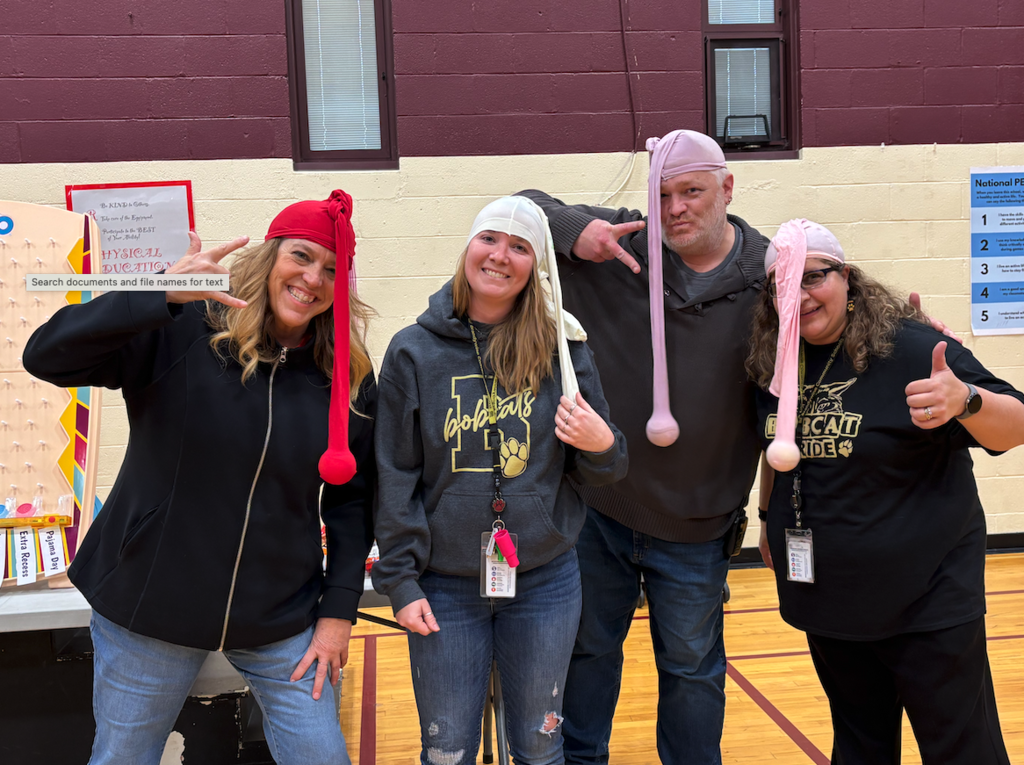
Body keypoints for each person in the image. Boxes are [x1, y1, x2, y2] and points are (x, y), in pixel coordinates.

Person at [22, 191, 376, 765]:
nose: (313, 278)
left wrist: (337, 614)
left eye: (332, 270)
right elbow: (46, 356)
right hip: (150, 604)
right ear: (270, 257)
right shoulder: (182, 329)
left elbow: (352, 502)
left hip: (281, 616)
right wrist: (152, 295)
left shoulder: (345, 379)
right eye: (302, 257)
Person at [519, 130, 768, 764]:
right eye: (662, 194)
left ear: (727, 189)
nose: (676, 207)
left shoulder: (770, 274)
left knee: (690, 671)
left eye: (692, 191)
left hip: (699, 522)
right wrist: (577, 230)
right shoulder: (619, 245)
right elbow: (516, 208)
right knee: (588, 654)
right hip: (600, 510)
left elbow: (841, 299)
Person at [749, 218, 1024, 765]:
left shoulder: (916, 349)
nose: (800, 296)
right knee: (861, 747)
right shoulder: (773, 360)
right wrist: (767, 518)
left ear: (847, 278)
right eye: (784, 285)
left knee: (961, 750)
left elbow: (1016, 425)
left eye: (814, 277)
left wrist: (965, 398)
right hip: (829, 596)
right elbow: (776, 445)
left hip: (928, 601)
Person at [371, 195, 628, 765]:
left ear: (535, 266)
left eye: (519, 247)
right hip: (443, 586)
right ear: (468, 247)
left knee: (539, 744)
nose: (499, 255)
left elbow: (606, 469)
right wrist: (400, 582)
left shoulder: (561, 349)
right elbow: (394, 478)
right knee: (447, 749)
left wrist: (602, 444)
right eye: (489, 239)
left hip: (544, 581)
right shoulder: (412, 352)